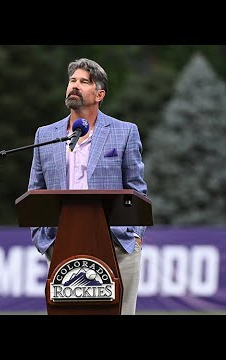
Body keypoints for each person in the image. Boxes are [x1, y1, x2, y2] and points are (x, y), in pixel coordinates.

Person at [27, 57, 148, 315]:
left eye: (84, 81)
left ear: (99, 94)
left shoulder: (124, 132)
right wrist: (44, 240)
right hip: (63, 244)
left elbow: (137, 189)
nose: (74, 85)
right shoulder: (45, 135)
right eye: (72, 80)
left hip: (118, 244)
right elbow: (35, 191)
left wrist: (135, 236)